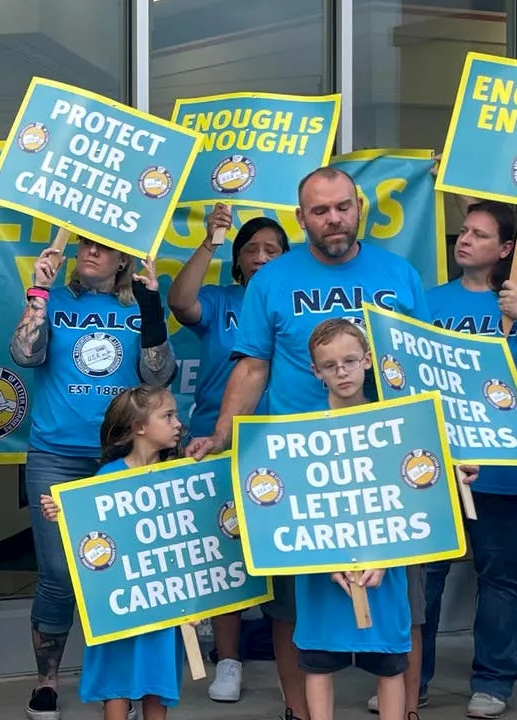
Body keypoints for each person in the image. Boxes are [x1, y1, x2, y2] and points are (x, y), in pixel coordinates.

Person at [187, 167, 430, 720]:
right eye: (320, 211)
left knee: (404, 601)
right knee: (292, 606)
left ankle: (406, 711)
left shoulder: (399, 274)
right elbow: (253, 365)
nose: (334, 218)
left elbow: (420, 368)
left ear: (358, 207)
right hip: (297, 465)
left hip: (389, 462)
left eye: (342, 206)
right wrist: (223, 434)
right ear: (303, 219)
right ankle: (300, 714)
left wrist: (445, 449)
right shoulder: (273, 280)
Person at [10, 236, 175, 720]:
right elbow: (24, 355)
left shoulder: (138, 301)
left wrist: (151, 306)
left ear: (123, 258)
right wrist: (38, 293)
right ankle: (47, 682)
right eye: (84, 245)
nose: (90, 253)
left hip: (122, 458)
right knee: (60, 575)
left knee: (124, 571)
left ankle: (124, 687)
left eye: (103, 247)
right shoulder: (56, 299)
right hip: (56, 456)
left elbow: (158, 375)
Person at [167, 203, 289, 702]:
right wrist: (212, 238)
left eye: (273, 250)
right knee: (225, 552)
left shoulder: (292, 299)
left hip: (281, 442)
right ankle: (230, 659)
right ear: (238, 261)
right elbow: (179, 301)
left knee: (281, 554)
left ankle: (295, 667)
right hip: (217, 439)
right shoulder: (220, 300)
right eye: (252, 250)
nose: (261, 257)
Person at [401, 200, 516, 720]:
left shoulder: (513, 303)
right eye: (462, 231)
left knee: (501, 579)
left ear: (506, 249)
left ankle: (493, 680)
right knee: (425, 578)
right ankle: (412, 680)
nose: (463, 240)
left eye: (478, 234)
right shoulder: (428, 302)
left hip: (503, 470)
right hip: (436, 468)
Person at [37, 385, 186, 720]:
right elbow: (91, 537)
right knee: (115, 683)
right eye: (168, 416)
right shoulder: (107, 477)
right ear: (139, 427)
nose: (178, 423)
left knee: (157, 684)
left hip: (163, 604)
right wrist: (64, 515)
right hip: (119, 605)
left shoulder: (176, 477)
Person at [297, 319, 411, 720]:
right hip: (320, 566)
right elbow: (296, 506)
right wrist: (326, 560)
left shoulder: (396, 421)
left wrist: (384, 555)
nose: (341, 371)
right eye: (329, 365)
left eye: (349, 360)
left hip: (386, 561)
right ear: (315, 371)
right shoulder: (299, 431)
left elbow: (410, 497)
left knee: (390, 660)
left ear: (367, 360)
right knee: (317, 660)